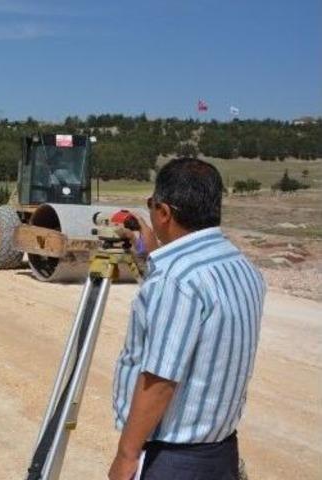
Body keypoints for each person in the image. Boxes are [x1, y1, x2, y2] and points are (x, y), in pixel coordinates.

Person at [109, 157, 265, 480]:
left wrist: (126, 455)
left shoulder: (177, 280)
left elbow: (159, 381)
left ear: (164, 213)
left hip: (174, 462)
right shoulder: (242, 268)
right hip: (221, 452)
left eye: (152, 205)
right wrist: (154, 252)